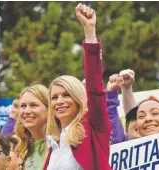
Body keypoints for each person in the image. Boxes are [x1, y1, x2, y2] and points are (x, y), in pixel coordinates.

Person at [43, 3, 111, 170]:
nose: (59, 101)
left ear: (79, 98)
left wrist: (89, 31)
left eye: (67, 95)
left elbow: (95, 88)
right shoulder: (52, 143)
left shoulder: (93, 126)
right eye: (54, 97)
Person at [13, 84, 49, 170]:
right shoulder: (21, 149)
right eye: (23, 106)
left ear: (48, 109)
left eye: (33, 105)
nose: (27, 111)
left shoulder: (59, 144)